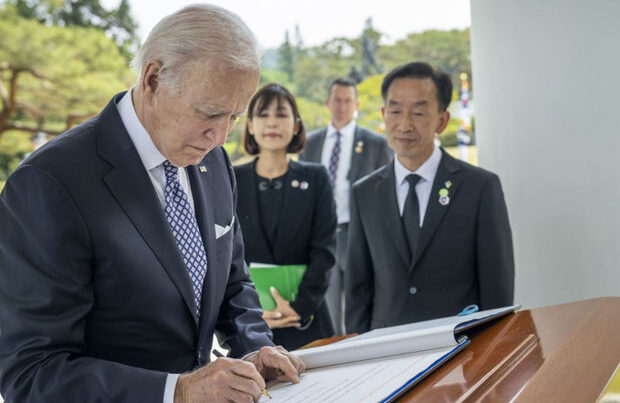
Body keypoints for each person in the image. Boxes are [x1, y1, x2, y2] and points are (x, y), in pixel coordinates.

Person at [0, 5, 304, 403]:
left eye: (234, 116)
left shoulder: (212, 159)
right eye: (210, 113)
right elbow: (29, 373)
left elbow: (233, 281)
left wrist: (254, 349)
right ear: (153, 78)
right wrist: (175, 391)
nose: (221, 136)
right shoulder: (48, 183)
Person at [345, 62, 514, 334]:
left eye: (419, 112)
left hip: (461, 347)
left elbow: (498, 289)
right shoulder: (365, 192)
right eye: (396, 111)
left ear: (442, 121)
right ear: (383, 114)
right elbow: (357, 288)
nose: (405, 124)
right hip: (388, 349)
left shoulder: (480, 187)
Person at [234, 83, 337, 350]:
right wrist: (253, 310)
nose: (272, 123)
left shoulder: (316, 179)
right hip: (251, 326)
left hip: (308, 324)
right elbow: (226, 258)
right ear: (250, 125)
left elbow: (324, 253)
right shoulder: (232, 180)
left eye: (281, 114)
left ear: (296, 125)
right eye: (263, 114)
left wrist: (298, 308)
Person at [299, 77, 391, 335]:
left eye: (348, 100)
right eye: (337, 100)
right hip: (322, 237)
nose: (342, 106)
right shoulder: (310, 143)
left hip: (356, 235)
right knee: (326, 307)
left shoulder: (375, 144)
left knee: (358, 303)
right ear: (328, 102)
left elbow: (384, 195)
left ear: (357, 104)